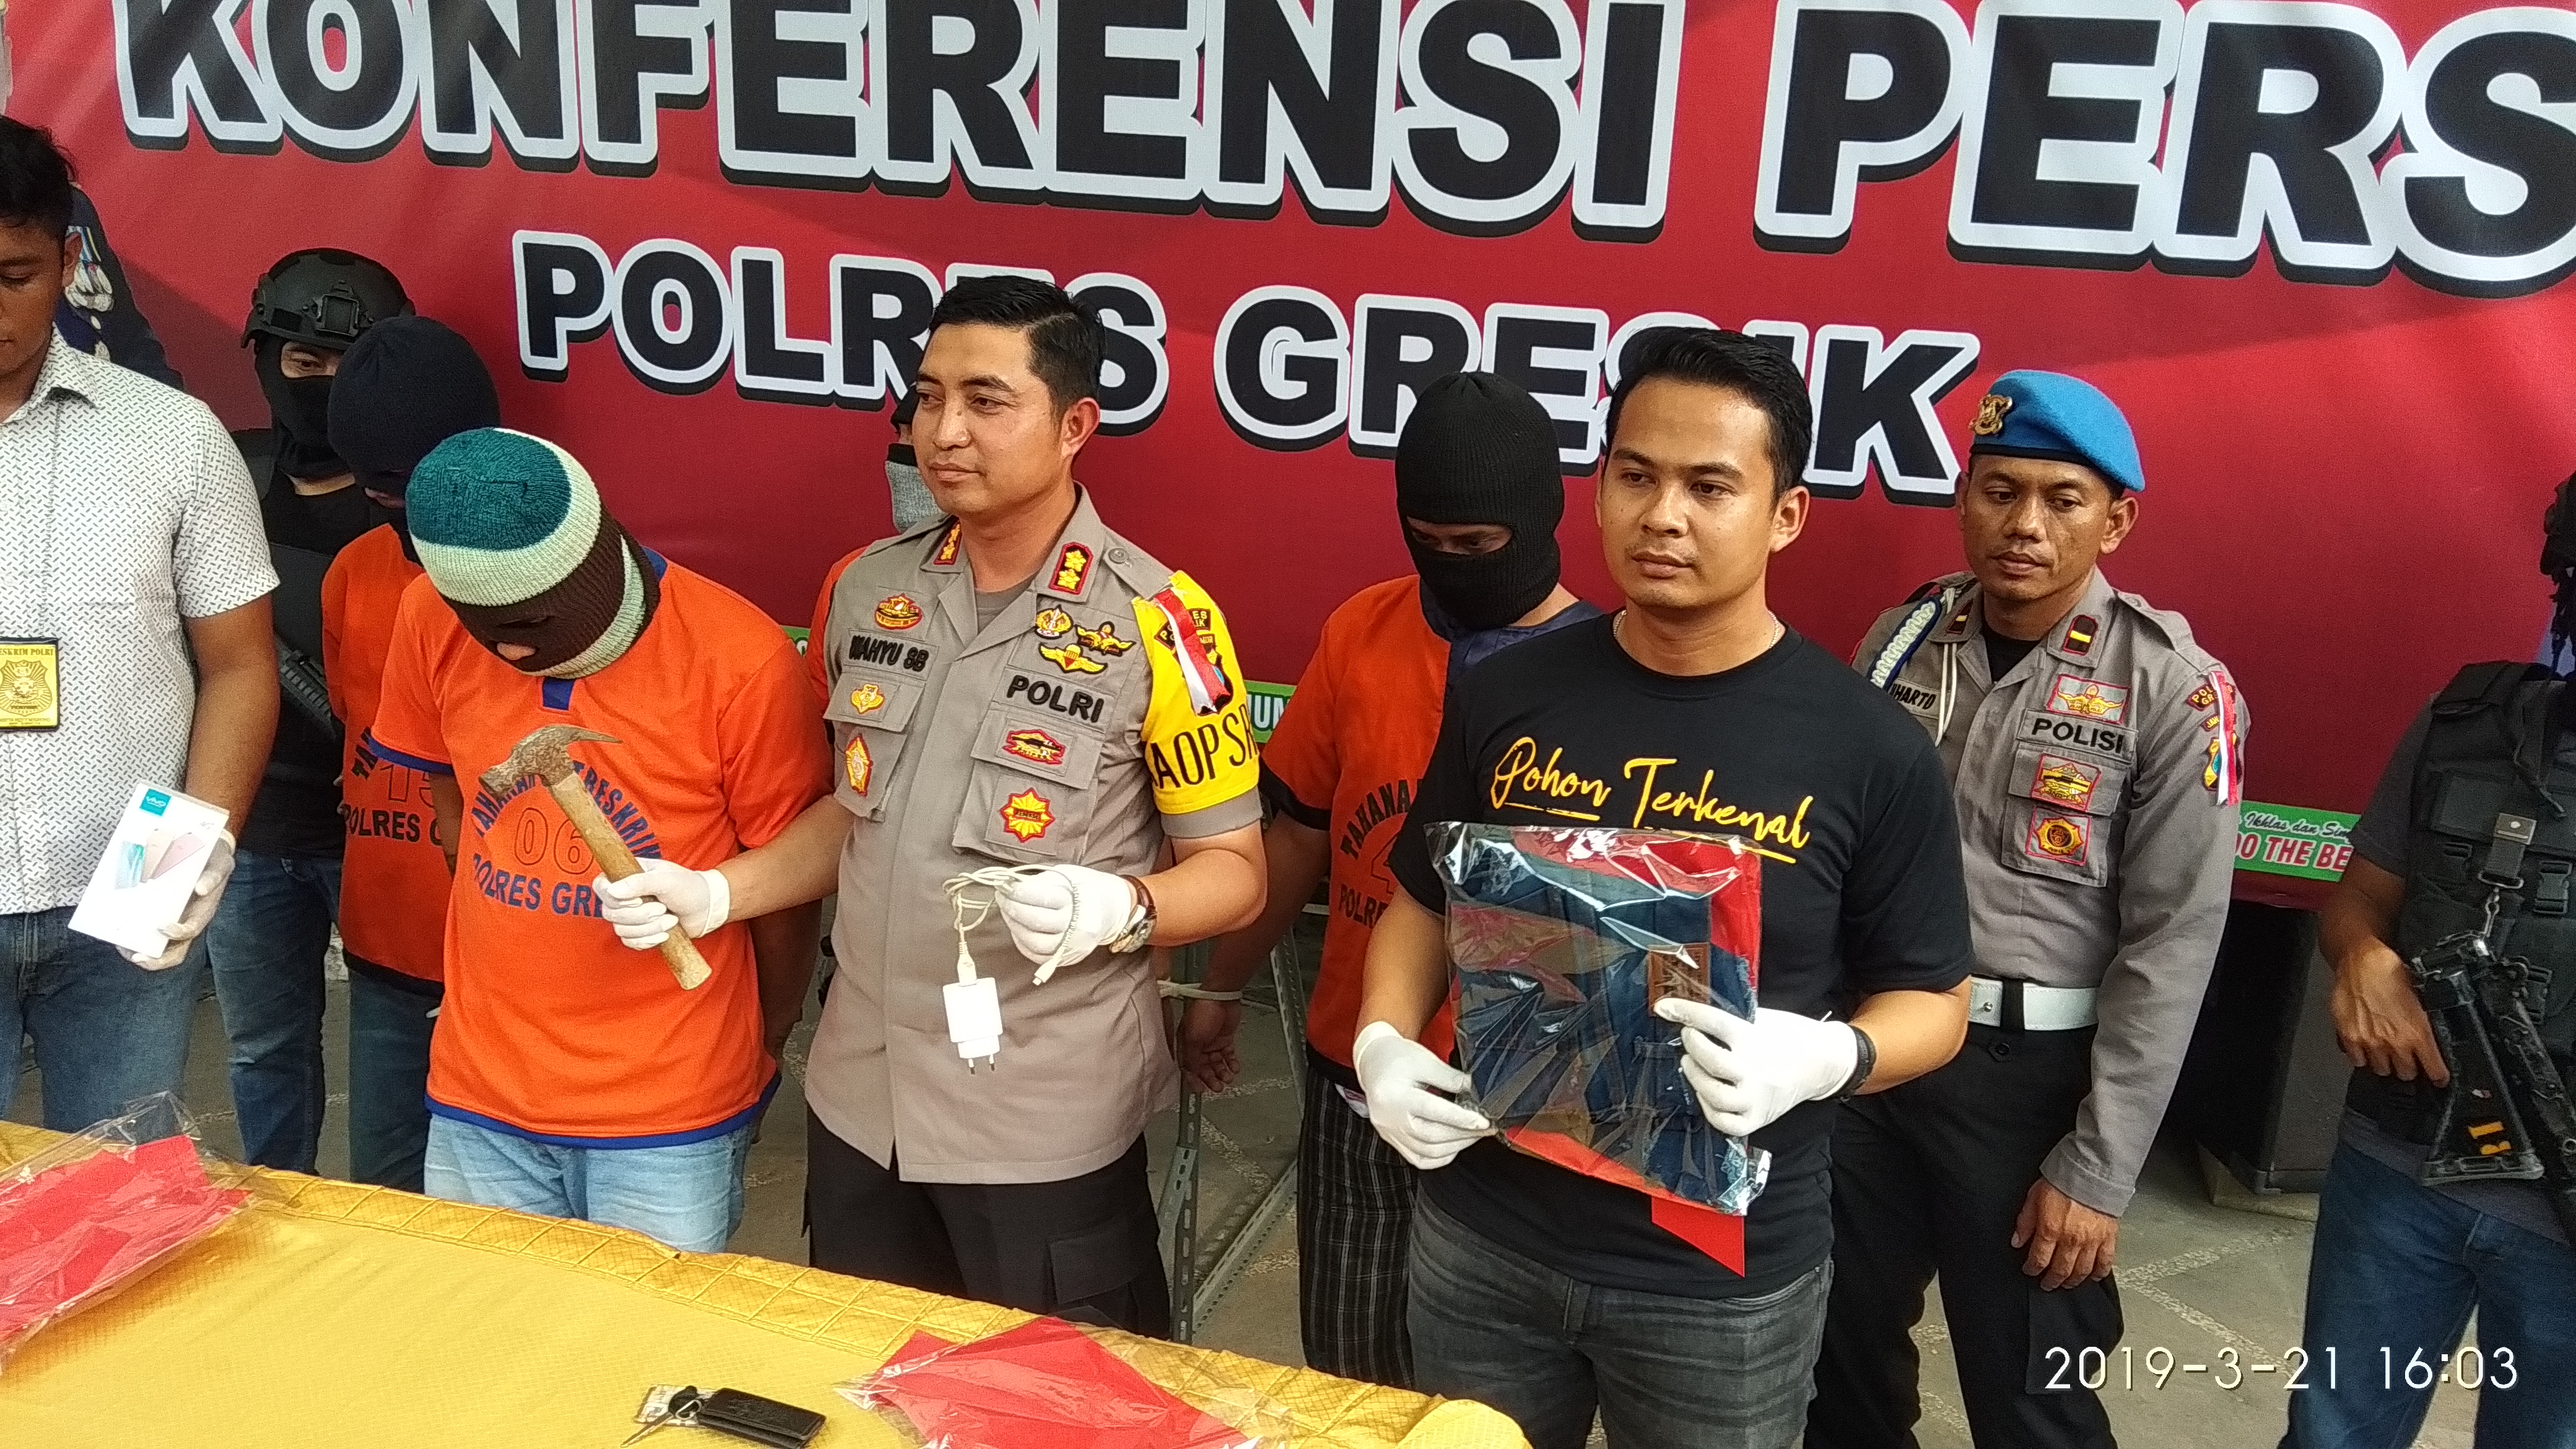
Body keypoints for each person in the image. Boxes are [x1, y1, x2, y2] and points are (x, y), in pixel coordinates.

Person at [604, 276, 1266, 1333]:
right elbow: (854, 814)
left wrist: (1122, 908)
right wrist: (720, 893)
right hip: (861, 1096)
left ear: (1075, 426)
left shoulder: (1162, 623)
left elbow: (1236, 872)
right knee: (870, 1380)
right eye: (926, 397)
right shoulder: (869, 589)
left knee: (1048, 1398)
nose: (944, 431)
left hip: (1039, 1117)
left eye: (986, 401)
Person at [1355, 327, 1975, 1449]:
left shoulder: (1869, 749)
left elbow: (1935, 1000)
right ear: (1597, 491)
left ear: (1786, 514)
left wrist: (1830, 1056)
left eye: (1710, 486)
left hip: (1716, 1282)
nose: (1663, 516)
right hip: (1487, 1235)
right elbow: (1422, 899)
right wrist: (1381, 1042)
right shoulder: (1507, 692)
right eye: (1636, 476)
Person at [1811, 372, 2249, 1449]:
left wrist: (2098, 1168)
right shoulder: (1906, 639)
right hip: (1879, 1051)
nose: (2025, 525)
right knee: (1839, 1358)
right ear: (1965, 498)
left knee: (2031, 1398)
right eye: (2000, 491)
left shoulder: (2173, 689)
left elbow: (2172, 945)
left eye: (2063, 499)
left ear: (2117, 521)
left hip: (2030, 1088)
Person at [1183, 372, 1597, 1385]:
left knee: (1494, 1382)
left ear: (1539, 518)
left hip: (1523, 1100)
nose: (1451, 564)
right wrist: (1222, 985)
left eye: (1478, 544)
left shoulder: (1606, 671)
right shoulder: (1364, 632)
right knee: (1349, 1365)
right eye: (1428, 539)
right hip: (1359, 1065)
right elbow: (1297, 837)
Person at [363, 427, 830, 1251]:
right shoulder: (428, 616)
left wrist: (766, 1039)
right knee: (489, 1322)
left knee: (654, 1334)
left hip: (667, 1109)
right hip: (479, 1092)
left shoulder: (740, 657)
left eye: (539, 622)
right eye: (491, 629)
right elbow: (454, 811)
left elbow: (788, 892)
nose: (515, 649)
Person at [2279, 475, 2576, 1449]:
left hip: (2563, 1229)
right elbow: (2360, 899)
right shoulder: (2467, 722)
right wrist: (2361, 958)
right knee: (2331, 1434)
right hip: (2396, 1171)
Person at [0, 116, 278, 1128]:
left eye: (14, 276)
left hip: (127, 887)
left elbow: (239, 665)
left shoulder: (170, 436)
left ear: (69, 260)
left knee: (123, 1197)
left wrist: (187, 859)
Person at [206, 248, 412, 1173]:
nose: (322, 383)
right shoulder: (220, 476)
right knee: (261, 1049)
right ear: (263, 356)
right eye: (302, 359)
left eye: (349, 363)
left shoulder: (416, 506)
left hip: (381, 829)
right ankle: (274, 1209)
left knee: (397, 1053)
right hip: (241, 825)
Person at [319, 316, 502, 1191]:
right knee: (386, 1198)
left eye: (414, 487)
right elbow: (354, 722)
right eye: (377, 489)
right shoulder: (354, 572)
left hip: (510, 956)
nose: (400, 513)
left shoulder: (542, 581)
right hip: (384, 946)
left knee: (509, 1221)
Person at [804, 389, 926, 703]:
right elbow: (819, 707)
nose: (903, 453)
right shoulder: (853, 574)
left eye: (921, 436)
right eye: (901, 435)